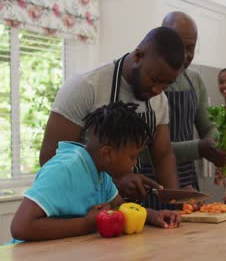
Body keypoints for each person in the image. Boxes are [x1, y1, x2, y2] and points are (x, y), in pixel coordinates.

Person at [39, 27, 185, 207]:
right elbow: (49, 160)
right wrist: (113, 183)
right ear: (138, 56)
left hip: (125, 212)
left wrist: (179, 203)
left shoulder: (159, 100)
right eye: (154, 79)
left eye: (165, 85)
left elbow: (163, 155)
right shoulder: (85, 86)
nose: (157, 90)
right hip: (79, 209)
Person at [10, 102, 181, 243]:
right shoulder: (64, 169)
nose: (135, 164)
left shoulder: (101, 172)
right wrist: (88, 223)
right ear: (108, 153)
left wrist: (152, 215)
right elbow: (20, 227)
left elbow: (119, 206)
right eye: (132, 156)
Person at [161, 11, 226, 191]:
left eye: (190, 48)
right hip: (151, 181)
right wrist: (199, 148)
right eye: (179, 47)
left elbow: (208, 127)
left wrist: (216, 144)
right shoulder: (148, 80)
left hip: (187, 181)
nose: (185, 55)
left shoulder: (195, 79)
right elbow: (147, 150)